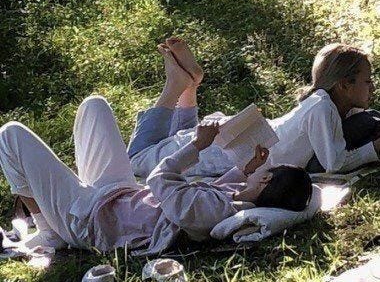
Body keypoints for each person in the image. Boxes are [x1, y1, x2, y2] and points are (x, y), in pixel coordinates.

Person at [0, 46, 312, 255]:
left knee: (10, 134)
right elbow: (225, 188)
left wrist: (197, 146)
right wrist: (246, 168)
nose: (259, 171)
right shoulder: (237, 197)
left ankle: (50, 230)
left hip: (90, 224)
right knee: (95, 106)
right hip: (116, 194)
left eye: (265, 172)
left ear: (267, 182)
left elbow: (160, 179)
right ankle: (68, 196)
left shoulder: (213, 212)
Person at [129, 40, 380, 178]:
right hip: (224, 154)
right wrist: (375, 150)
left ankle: (188, 86)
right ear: (345, 85)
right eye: (367, 81)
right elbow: (334, 163)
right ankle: (175, 86)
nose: (372, 87)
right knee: (136, 160)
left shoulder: (329, 104)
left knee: (173, 140)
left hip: (237, 138)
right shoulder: (322, 108)